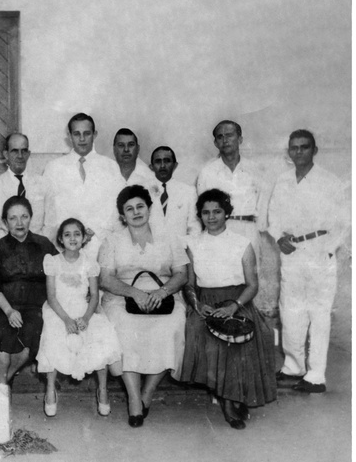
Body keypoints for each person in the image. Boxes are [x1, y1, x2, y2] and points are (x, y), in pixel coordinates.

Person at [181, 189, 277, 429]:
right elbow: (189, 284)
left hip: (237, 300)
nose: (211, 217)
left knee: (247, 335)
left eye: (217, 211)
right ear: (200, 216)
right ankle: (227, 401)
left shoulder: (241, 243)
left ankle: (235, 394)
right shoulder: (192, 244)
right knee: (202, 331)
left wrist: (234, 306)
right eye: (206, 212)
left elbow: (253, 285)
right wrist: (197, 305)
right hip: (205, 301)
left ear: (227, 214)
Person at [267, 129, 350, 393]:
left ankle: (315, 376)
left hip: (319, 250)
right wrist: (278, 237)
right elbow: (273, 217)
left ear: (314, 150)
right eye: (294, 147)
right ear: (288, 151)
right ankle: (293, 367)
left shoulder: (329, 181)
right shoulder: (283, 181)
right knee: (290, 311)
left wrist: (328, 249)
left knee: (318, 313)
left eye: (304, 147)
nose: (299, 151)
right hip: (291, 251)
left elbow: (344, 221)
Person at [99, 185, 188, 427]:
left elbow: (181, 274)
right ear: (122, 215)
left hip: (164, 295)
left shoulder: (169, 237)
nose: (136, 212)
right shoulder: (112, 241)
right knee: (123, 326)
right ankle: (134, 399)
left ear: (149, 208)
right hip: (122, 295)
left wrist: (162, 291)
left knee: (173, 324)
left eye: (140, 206)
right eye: (129, 209)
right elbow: (105, 279)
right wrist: (134, 293)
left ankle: (147, 392)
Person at [37, 218, 123, 417]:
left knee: (100, 332)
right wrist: (67, 320)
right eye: (67, 235)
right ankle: (50, 389)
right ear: (60, 239)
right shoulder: (53, 261)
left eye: (77, 234)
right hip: (59, 310)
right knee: (53, 332)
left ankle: (103, 389)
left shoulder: (89, 263)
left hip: (84, 309)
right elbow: (51, 297)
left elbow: (94, 295)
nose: (72, 238)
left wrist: (86, 318)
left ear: (84, 238)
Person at [0, 196, 58, 385]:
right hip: (2, 307)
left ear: (31, 218)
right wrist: (9, 311)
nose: (19, 223)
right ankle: (3, 387)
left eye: (24, 217)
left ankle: (1, 385)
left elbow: (61, 272)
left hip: (35, 308)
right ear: (5, 222)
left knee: (30, 334)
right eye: (13, 218)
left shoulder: (44, 244)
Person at [42, 113, 118, 256]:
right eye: (77, 134)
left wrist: (95, 232)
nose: (82, 139)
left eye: (87, 133)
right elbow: (49, 210)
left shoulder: (110, 167)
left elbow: (116, 207)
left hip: (100, 242)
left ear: (94, 135)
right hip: (65, 244)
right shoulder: (53, 168)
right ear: (69, 136)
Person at [196, 120, 269, 237]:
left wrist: (260, 232)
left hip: (250, 231)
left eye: (229, 135)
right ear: (215, 143)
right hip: (219, 232)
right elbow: (202, 209)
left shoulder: (255, 170)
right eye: (220, 137)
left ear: (240, 139)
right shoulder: (206, 173)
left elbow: (263, 206)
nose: (225, 140)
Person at [0, 133, 48, 243]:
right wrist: (11, 248)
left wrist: (37, 246)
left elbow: (51, 224)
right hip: (6, 250)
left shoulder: (43, 183)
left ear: (28, 154)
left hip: (38, 248)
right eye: (14, 151)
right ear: (6, 154)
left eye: (24, 151)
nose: (20, 156)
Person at [149, 145, 200, 244]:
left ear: (175, 165)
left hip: (179, 251)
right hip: (151, 251)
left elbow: (194, 228)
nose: (162, 166)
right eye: (158, 161)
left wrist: (188, 249)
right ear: (151, 167)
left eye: (167, 161)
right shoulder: (142, 191)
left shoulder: (188, 191)